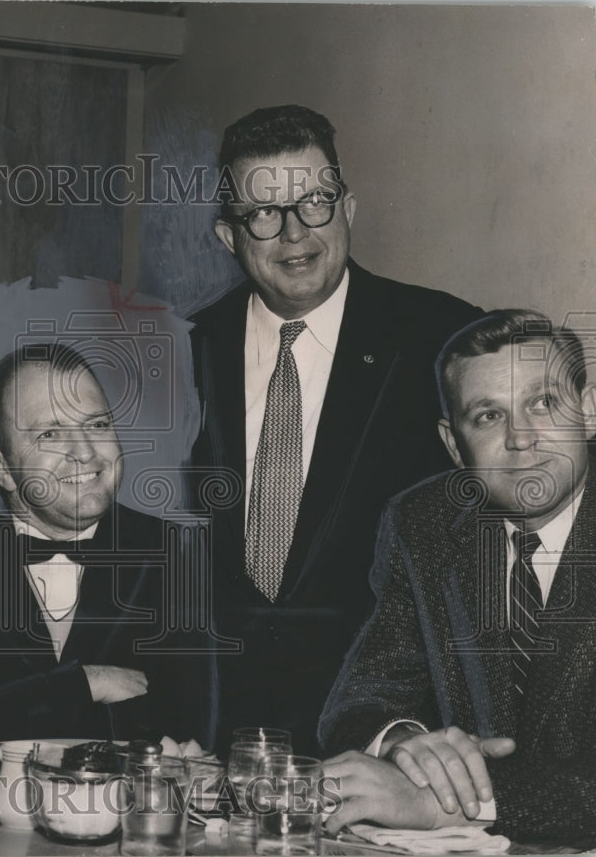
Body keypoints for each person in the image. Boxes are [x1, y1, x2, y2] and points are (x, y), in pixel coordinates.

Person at [188, 104, 481, 753]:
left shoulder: (443, 340)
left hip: (384, 740)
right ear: (229, 238)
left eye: (315, 202)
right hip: (211, 746)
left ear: (348, 209)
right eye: (264, 213)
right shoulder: (183, 351)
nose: (295, 233)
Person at [319, 310, 596, 848]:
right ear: (453, 444)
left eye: (543, 404)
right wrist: (407, 745)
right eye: (489, 416)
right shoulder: (425, 522)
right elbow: (361, 699)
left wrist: (440, 801)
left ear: (588, 410)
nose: (522, 440)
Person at [0, 344, 216, 756]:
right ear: (0, 467)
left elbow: (190, 728)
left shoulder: (177, 551)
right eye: (50, 434)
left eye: (96, 425)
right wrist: (83, 685)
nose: (85, 452)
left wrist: (8, 707)